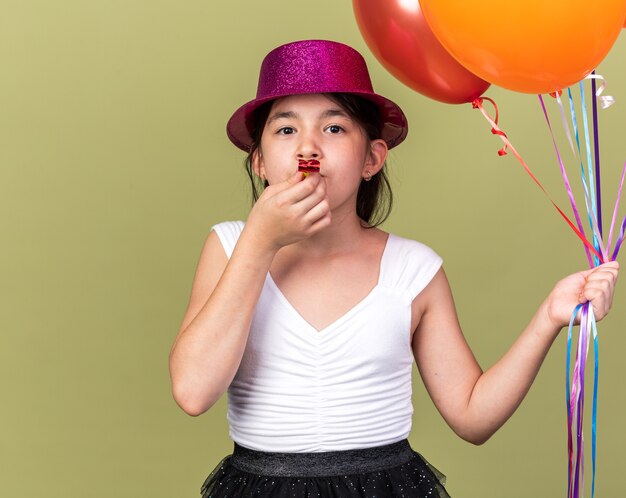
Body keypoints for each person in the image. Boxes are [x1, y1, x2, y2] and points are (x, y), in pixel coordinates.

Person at [168, 40, 619, 498]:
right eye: (285, 130)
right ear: (260, 161)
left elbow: (472, 415)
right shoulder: (229, 246)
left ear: (372, 158)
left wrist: (548, 318)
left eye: (335, 128)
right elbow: (192, 392)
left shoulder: (413, 269)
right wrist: (260, 242)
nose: (308, 146)